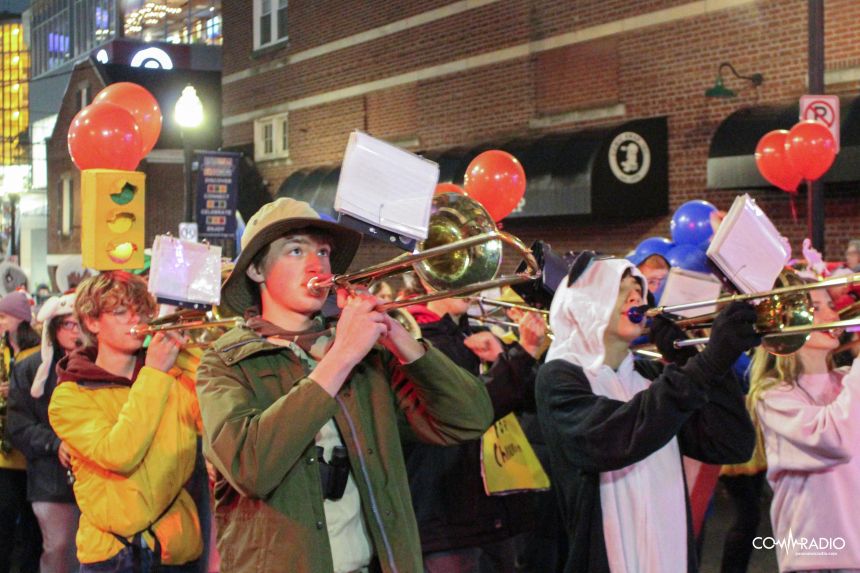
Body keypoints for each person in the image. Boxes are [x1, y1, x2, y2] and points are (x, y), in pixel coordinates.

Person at [194, 198, 494, 573]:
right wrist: (342, 356)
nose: (316, 263)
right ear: (256, 269)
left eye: (322, 251)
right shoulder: (224, 363)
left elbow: (468, 419)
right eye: (296, 250)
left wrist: (398, 337)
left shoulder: (367, 357)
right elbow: (250, 468)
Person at [535, 257, 759, 573]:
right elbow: (615, 439)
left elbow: (730, 443)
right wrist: (705, 365)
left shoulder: (649, 375)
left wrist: (703, 363)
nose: (636, 299)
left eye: (639, 293)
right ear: (587, 302)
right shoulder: (559, 376)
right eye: (621, 290)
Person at [47, 272, 203, 571]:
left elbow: (215, 423)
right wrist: (155, 373)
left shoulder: (175, 372)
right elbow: (119, 453)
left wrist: (190, 351)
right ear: (92, 323)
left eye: (141, 309)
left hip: (176, 545)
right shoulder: (69, 396)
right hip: (111, 555)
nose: (136, 318)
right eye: (120, 312)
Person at [404, 292, 548, 572]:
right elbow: (469, 414)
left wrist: (505, 357)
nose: (469, 287)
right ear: (426, 279)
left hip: (491, 505)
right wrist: (522, 354)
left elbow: (533, 401)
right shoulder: (416, 339)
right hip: (445, 512)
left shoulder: (480, 333)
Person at [748, 286, 860, 572]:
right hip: (815, 559)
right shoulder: (773, 395)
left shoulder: (849, 380)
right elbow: (836, 439)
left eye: (829, 305)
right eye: (814, 308)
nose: (832, 315)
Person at [8, 292, 82, 573]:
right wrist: (55, 444)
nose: (76, 333)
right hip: (51, 480)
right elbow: (18, 425)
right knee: (60, 550)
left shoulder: (103, 364)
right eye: (68, 325)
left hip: (100, 478)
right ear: (54, 327)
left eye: (81, 324)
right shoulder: (30, 369)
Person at [0, 290, 42, 573]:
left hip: (31, 458)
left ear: (20, 319)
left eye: (3, 316)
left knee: (31, 529)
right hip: (4, 459)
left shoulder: (38, 356)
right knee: (4, 524)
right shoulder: (3, 354)